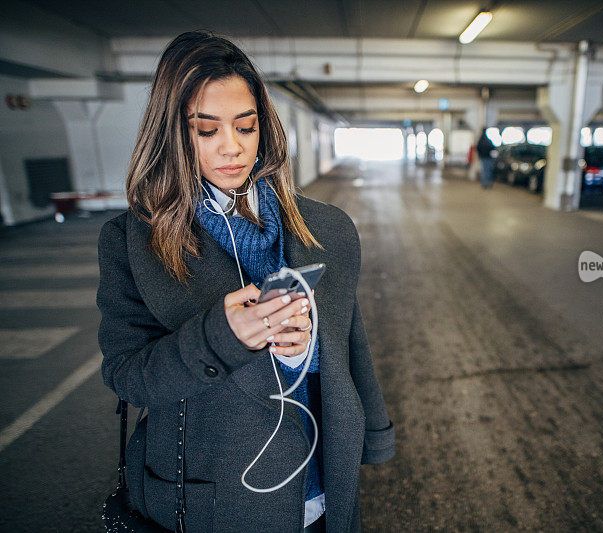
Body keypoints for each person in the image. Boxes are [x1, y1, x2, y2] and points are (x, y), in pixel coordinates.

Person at [96, 30, 395, 533]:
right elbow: (127, 374)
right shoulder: (132, 241)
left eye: (246, 126)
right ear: (172, 133)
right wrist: (223, 338)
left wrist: (310, 355)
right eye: (206, 130)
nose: (232, 148)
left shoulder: (328, 228)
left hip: (321, 486)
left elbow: (351, 341)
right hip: (216, 497)